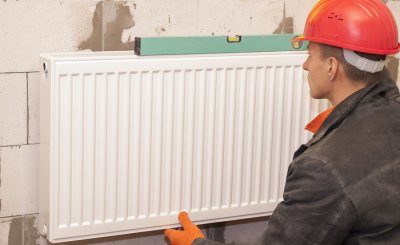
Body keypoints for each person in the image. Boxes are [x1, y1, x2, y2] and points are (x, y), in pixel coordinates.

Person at [164, 0, 400, 244]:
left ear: (331, 67)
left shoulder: (325, 168)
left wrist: (195, 243)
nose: (305, 65)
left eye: (310, 55)